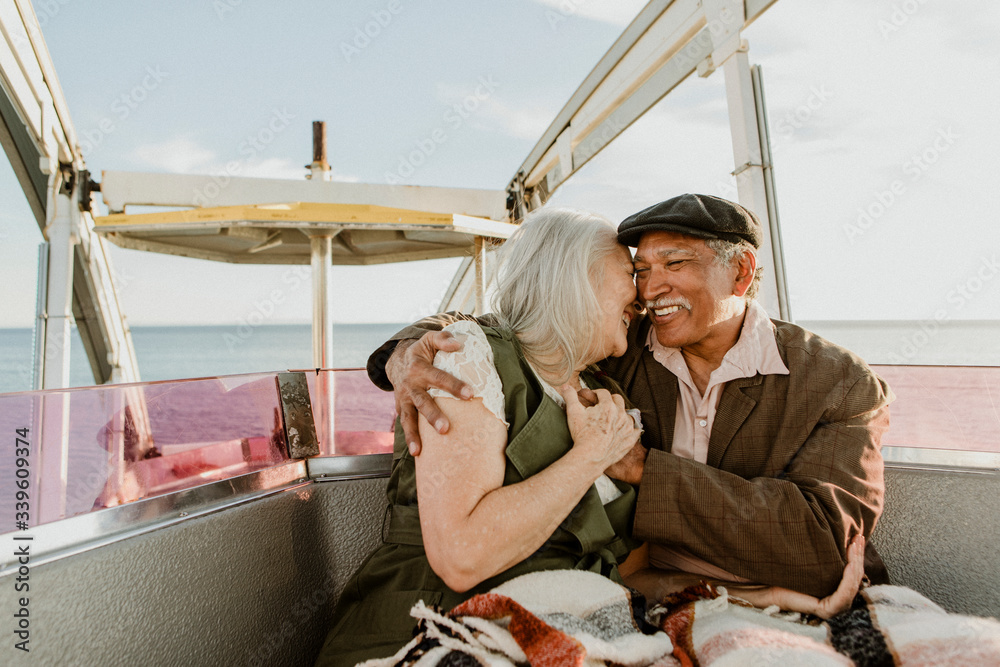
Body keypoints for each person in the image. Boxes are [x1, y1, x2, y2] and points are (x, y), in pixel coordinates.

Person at [369, 193, 893, 601]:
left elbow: (825, 544)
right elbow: (522, 324)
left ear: (741, 272)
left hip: (753, 584)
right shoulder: (622, 346)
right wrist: (407, 349)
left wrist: (644, 468)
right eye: (641, 270)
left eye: (675, 264)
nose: (649, 289)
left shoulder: (839, 384)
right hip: (642, 586)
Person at [315, 208, 644, 666]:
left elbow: (632, 567)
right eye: (630, 273)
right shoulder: (470, 356)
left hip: (574, 626)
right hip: (440, 620)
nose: (642, 297)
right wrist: (591, 455)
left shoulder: (606, 397)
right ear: (573, 278)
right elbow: (462, 556)